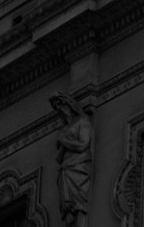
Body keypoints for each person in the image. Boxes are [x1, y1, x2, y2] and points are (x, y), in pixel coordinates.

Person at [51, 92, 92, 227]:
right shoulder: (62, 130)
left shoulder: (82, 121)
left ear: (69, 104)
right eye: (56, 107)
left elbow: (83, 145)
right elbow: (58, 157)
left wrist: (64, 140)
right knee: (68, 212)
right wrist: (63, 141)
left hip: (79, 167)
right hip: (65, 170)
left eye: (60, 105)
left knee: (79, 204)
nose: (59, 109)